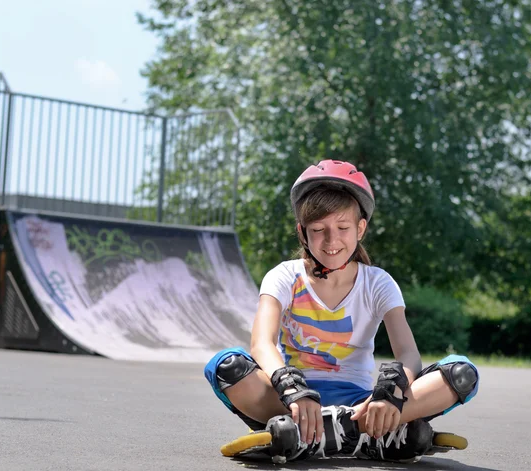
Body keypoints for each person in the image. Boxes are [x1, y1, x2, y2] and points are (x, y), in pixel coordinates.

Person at [204, 159, 479, 462]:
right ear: (302, 233)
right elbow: (261, 344)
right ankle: (370, 435)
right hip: (292, 400)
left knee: (462, 374)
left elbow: (409, 354)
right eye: (318, 229)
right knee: (226, 365)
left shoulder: (377, 283)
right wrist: (291, 386)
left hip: (363, 403)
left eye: (343, 227)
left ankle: (311, 436)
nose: (331, 240)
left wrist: (391, 393)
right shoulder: (284, 276)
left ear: (360, 228)